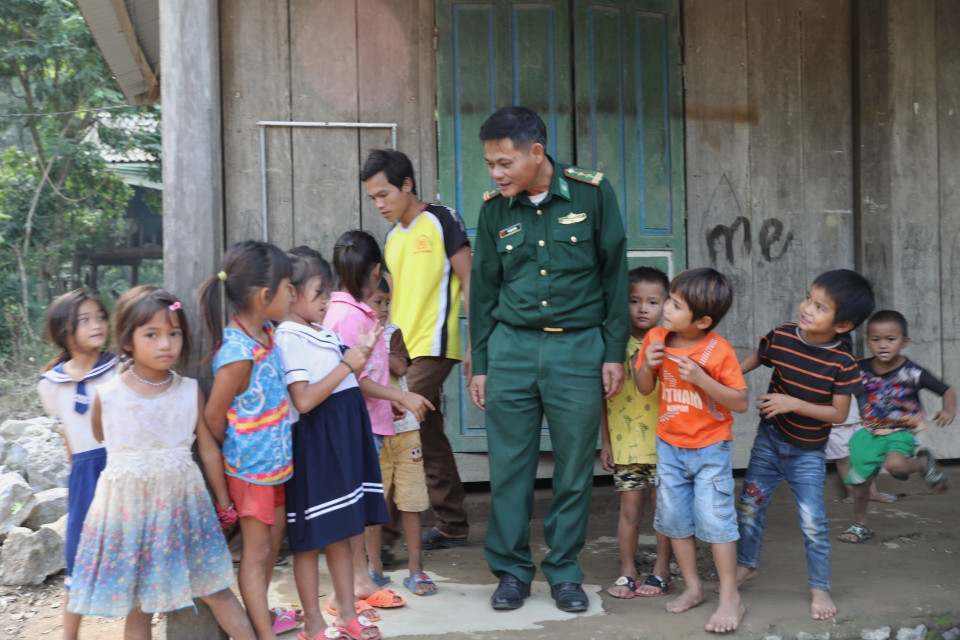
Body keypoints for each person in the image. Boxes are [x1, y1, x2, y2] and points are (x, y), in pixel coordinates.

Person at [468, 105, 629, 613]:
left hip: (577, 349)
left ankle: (564, 571)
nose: (496, 174)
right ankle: (511, 572)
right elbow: (483, 290)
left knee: (574, 469)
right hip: (511, 349)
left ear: (536, 153)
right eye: (490, 164)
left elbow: (614, 276)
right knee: (509, 468)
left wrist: (613, 351)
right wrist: (482, 363)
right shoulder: (495, 209)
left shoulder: (592, 193)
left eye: (505, 163)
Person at [67, 285, 256, 640]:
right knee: (139, 606)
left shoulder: (189, 391)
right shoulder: (107, 396)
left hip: (184, 510)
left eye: (174, 333)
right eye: (151, 335)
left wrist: (225, 503)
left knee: (216, 590)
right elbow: (103, 438)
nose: (166, 344)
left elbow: (209, 450)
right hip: (131, 516)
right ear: (128, 341)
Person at [737, 269, 875, 622]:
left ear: (843, 325)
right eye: (808, 299)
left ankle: (819, 587)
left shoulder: (843, 363)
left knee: (813, 522)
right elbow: (759, 356)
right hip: (769, 440)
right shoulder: (783, 335)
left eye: (819, 307)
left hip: (807, 453)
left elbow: (838, 414)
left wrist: (793, 404)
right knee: (750, 505)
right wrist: (729, 379)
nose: (807, 309)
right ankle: (746, 565)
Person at [362, 148, 473, 551]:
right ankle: (453, 523)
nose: (379, 204)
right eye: (373, 198)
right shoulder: (392, 238)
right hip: (399, 351)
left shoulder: (442, 220)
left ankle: (384, 539)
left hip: (434, 345)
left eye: (384, 194)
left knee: (395, 422)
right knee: (427, 431)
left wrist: (477, 346)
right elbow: (389, 300)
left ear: (407, 184)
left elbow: (470, 281)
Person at [274, 246, 385, 640]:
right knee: (309, 542)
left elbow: (344, 376)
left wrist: (361, 354)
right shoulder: (288, 337)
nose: (326, 301)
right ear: (290, 293)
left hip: (341, 443)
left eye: (327, 292)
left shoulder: (322, 332)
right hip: (316, 447)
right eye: (318, 293)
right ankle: (313, 623)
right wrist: (347, 364)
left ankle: (346, 614)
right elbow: (304, 399)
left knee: (342, 531)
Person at [323, 229, 433, 615]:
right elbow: (356, 378)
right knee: (353, 511)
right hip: (358, 426)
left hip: (361, 421)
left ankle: (358, 582)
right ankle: (347, 591)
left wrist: (389, 404)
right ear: (375, 272)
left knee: (356, 509)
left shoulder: (339, 311)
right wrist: (400, 396)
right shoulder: (352, 316)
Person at [635, 267, 748, 633]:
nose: (665, 309)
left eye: (675, 305)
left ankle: (730, 596)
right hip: (669, 445)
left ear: (702, 321)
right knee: (674, 519)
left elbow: (740, 402)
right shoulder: (656, 337)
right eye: (669, 300)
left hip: (710, 447)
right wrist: (647, 366)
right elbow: (643, 388)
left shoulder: (718, 350)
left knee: (716, 520)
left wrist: (702, 379)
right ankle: (694, 588)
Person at [199, 241, 300, 640]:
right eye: (288, 287)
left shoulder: (267, 334)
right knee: (255, 555)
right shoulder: (238, 353)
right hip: (251, 473)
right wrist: (241, 448)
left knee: (271, 544)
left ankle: (263, 617)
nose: (293, 294)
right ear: (264, 295)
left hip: (276, 468)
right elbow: (213, 416)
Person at [37, 289, 118, 640]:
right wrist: (78, 479)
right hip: (84, 476)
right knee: (80, 557)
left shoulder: (120, 367)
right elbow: (68, 438)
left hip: (121, 468)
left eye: (100, 317)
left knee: (132, 547)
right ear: (63, 330)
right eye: (84, 320)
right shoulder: (50, 385)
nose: (96, 324)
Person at [838, 309, 955, 544]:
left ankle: (922, 463)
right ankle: (860, 525)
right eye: (876, 339)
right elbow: (838, 386)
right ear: (868, 341)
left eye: (890, 339)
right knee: (860, 480)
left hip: (900, 430)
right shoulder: (859, 369)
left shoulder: (912, 372)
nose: (883, 345)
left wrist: (949, 410)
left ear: (904, 342)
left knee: (896, 466)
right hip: (868, 432)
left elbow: (946, 390)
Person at [599, 267, 675, 600]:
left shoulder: (670, 343)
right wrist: (605, 442)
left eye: (653, 302)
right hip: (626, 444)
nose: (643, 308)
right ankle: (628, 570)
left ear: (666, 305)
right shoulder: (612, 345)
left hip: (667, 445)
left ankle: (662, 569)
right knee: (630, 511)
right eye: (634, 300)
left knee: (664, 511)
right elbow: (602, 396)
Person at [365, 279, 439, 597]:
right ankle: (374, 569)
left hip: (405, 430)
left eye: (386, 302)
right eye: (377, 302)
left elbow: (400, 367)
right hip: (373, 431)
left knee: (412, 500)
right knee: (373, 502)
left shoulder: (391, 333)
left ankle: (415, 570)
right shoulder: (354, 335)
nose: (383, 308)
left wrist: (373, 344)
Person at [825, 402, 895, 504]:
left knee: (864, 456)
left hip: (854, 417)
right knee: (843, 458)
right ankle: (852, 493)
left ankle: (872, 492)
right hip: (833, 421)